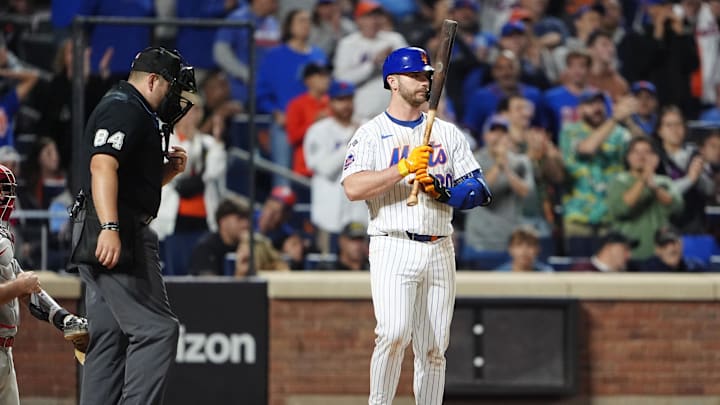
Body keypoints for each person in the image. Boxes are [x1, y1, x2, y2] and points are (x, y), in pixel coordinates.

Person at [341, 46, 492, 405]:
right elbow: (352, 187)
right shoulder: (371, 132)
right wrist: (404, 168)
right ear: (393, 82)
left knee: (434, 347)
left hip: (440, 244)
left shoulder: (446, 132)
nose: (425, 81)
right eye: (416, 75)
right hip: (394, 241)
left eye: (427, 75)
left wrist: (443, 191)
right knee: (392, 334)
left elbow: (479, 189)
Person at [70, 47, 197, 405]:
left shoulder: (133, 108)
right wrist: (110, 226)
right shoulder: (124, 106)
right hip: (115, 230)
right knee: (158, 331)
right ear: (153, 79)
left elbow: (127, 182)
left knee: (108, 337)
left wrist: (166, 172)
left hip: (104, 225)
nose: (176, 99)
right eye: (172, 87)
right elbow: (102, 167)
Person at [0, 163, 89, 404]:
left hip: (5, 351)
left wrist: (65, 321)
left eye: (4, 191)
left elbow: (25, 288)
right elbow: (20, 286)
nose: (5, 197)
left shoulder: (4, 237)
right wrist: (19, 287)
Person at [303, 80, 367, 254]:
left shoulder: (367, 127)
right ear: (330, 102)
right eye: (340, 100)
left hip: (360, 217)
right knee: (326, 272)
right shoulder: (318, 131)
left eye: (349, 99)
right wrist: (352, 142)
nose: (346, 104)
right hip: (328, 218)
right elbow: (326, 167)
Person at [606, 136, 683, 261]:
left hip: (660, 254)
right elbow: (621, 208)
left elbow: (676, 208)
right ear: (628, 157)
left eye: (647, 152)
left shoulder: (665, 182)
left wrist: (654, 187)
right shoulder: (619, 181)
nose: (641, 156)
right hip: (629, 253)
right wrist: (643, 179)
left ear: (655, 157)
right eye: (636, 152)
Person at [188, 198, 251, 276]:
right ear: (223, 221)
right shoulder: (205, 248)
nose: (246, 224)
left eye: (247, 219)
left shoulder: (248, 246)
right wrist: (239, 275)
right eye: (239, 218)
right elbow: (209, 286)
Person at [639, 227, 706, 272]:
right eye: (664, 245)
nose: (671, 248)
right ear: (657, 250)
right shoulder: (647, 271)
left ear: (681, 245)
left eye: (674, 242)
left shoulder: (694, 269)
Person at [570, 231, 637, 272]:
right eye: (625, 249)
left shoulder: (631, 271)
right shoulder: (582, 271)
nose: (629, 255)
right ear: (609, 247)